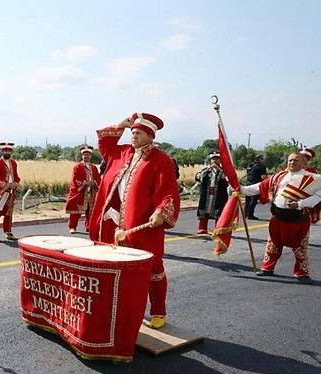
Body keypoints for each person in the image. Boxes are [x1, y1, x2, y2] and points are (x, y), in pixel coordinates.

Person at [88, 113, 180, 329]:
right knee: (116, 267)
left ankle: (158, 312)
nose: (133, 136)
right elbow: (105, 141)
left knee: (153, 269)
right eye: (132, 132)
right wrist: (121, 124)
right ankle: (120, 310)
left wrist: (161, 211)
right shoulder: (121, 153)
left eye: (138, 133)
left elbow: (167, 192)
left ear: (150, 136)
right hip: (115, 222)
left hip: (143, 226)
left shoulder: (161, 160)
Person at [239, 151, 321, 283]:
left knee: (300, 247)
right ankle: (267, 268)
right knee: (273, 244)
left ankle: (302, 273)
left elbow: (318, 197)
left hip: (298, 219)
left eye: (296, 160)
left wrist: (300, 204)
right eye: (290, 160)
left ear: (303, 162)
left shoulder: (313, 178)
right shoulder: (278, 177)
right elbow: (259, 187)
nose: (292, 163)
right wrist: (241, 189)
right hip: (278, 217)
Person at [0, 142, 21, 241]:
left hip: (10, 192)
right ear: (2, 151)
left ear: (11, 152)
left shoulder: (13, 163)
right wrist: (7, 185)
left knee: (8, 213)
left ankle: (8, 232)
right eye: (5, 150)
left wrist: (16, 183)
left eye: (9, 151)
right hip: (1, 192)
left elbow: (16, 176)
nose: (7, 152)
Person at [65, 145, 100, 234]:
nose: (86, 156)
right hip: (80, 192)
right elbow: (75, 179)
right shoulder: (77, 167)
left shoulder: (94, 167)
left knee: (90, 211)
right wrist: (85, 182)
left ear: (91, 156)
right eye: (84, 155)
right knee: (75, 211)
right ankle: (72, 226)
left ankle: (89, 226)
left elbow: (98, 178)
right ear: (82, 156)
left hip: (91, 192)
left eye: (88, 155)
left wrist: (94, 182)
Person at [195, 153, 230, 234]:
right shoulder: (206, 170)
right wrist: (207, 170)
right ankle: (202, 228)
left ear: (220, 160)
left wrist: (219, 170)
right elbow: (197, 177)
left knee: (218, 210)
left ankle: (218, 228)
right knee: (204, 209)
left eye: (216, 159)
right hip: (207, 194)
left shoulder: (223, 170)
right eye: (213, 159)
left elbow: (227, 180)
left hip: (218, 195)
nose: (214, 161)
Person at [244, 154, 267, 220]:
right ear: (259, 159)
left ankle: (245, 213)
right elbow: (263, 177)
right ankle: (250, 214)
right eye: (263, 159)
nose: (263, 160)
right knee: (253, 200)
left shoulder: (250, 166)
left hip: (248, 184)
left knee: (247, 200)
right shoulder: (260, 167)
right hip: (255, 185)